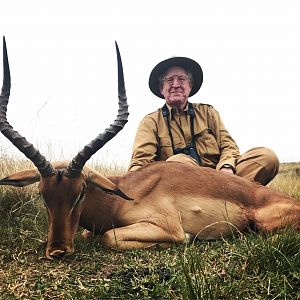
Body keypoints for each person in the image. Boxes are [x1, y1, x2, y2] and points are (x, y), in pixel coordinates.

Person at [128, 56, 279, 186]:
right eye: (169, 80)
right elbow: (140, 164)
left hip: (223, 180)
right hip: (182, 190)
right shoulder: (150, 122)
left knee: (266, 157)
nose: (175, 85)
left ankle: (227, 200)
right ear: (162, 88)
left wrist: (226, 166)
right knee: (179, 163)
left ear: (190, 85)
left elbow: (229, 146)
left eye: (181, 79)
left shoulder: (209, 112)